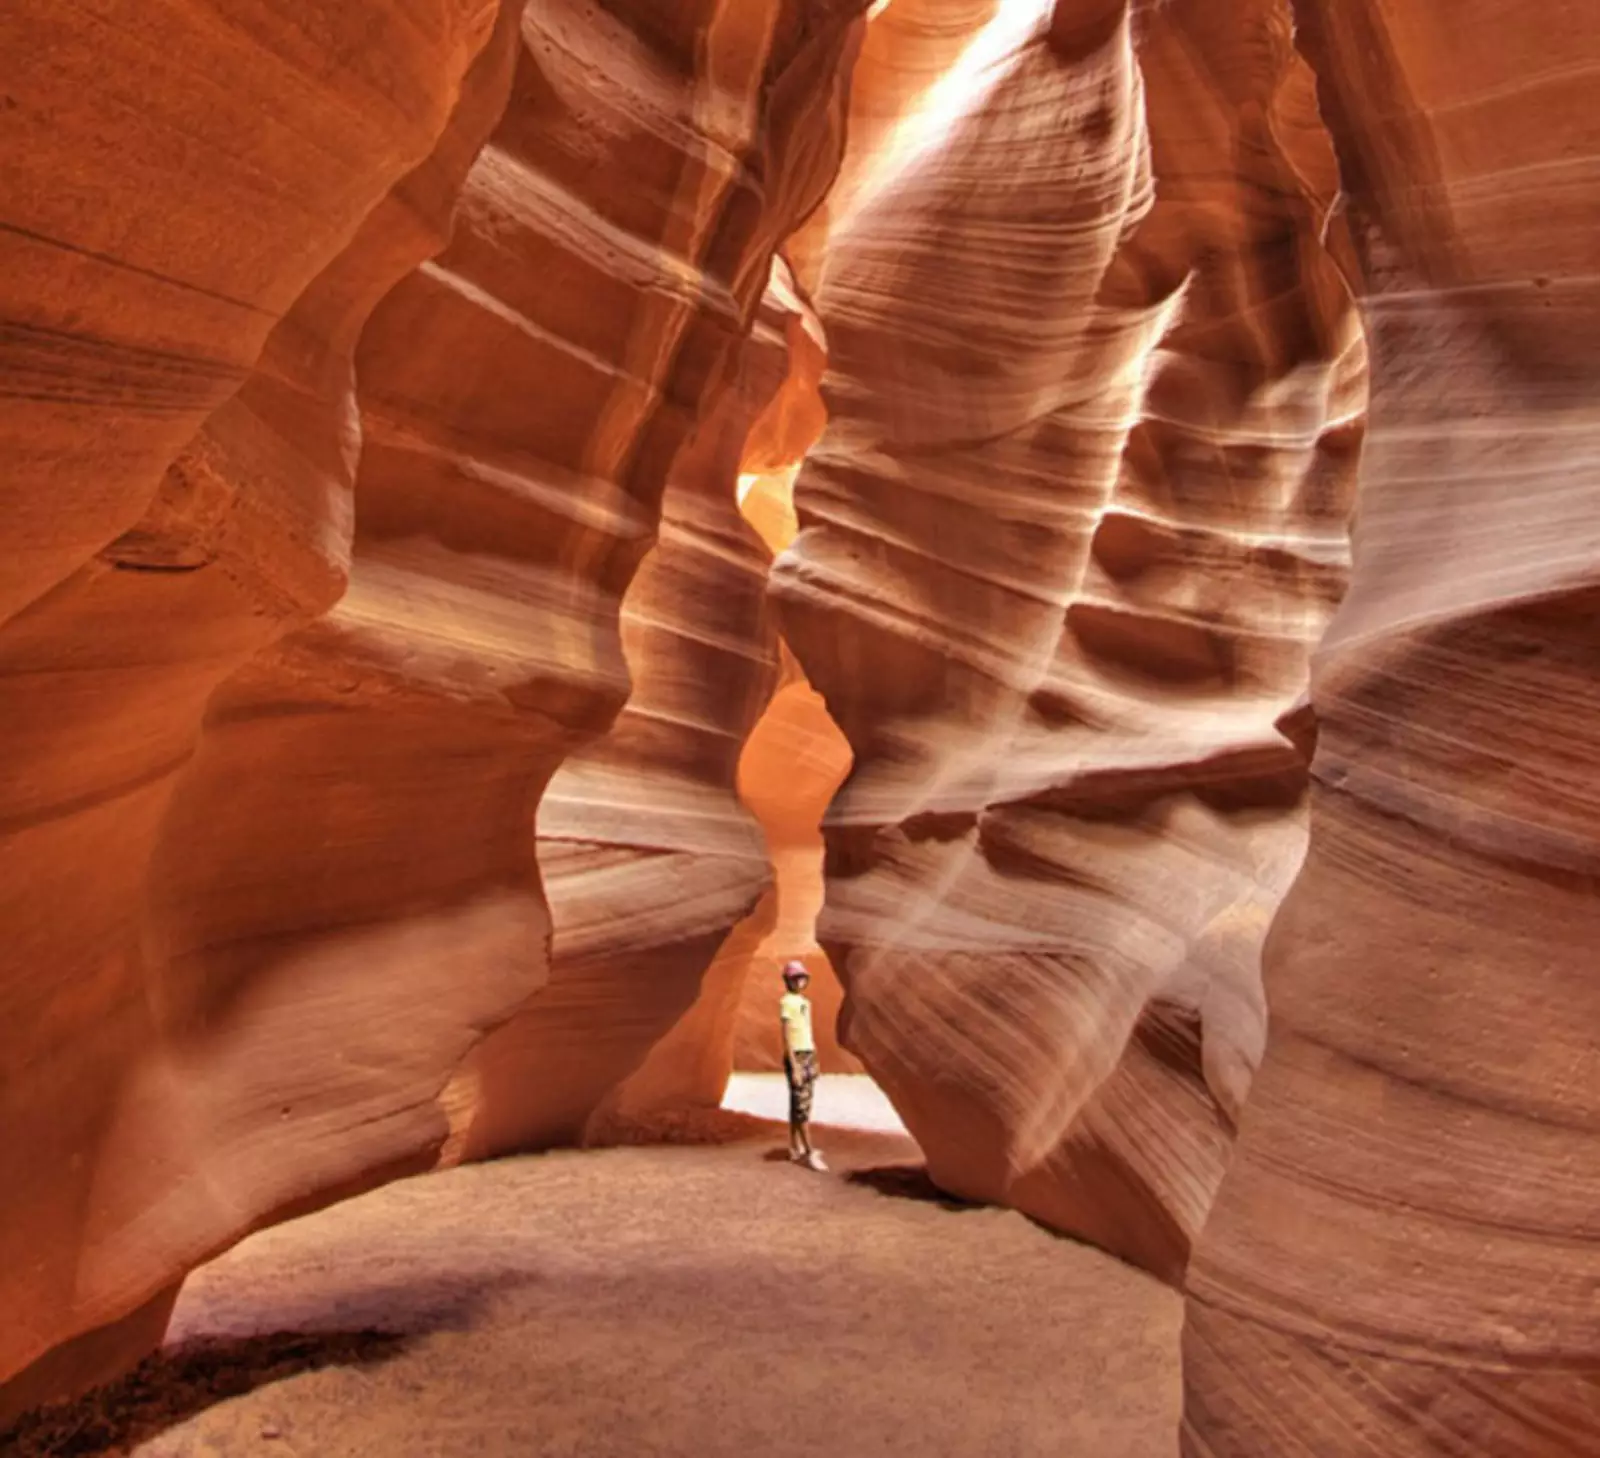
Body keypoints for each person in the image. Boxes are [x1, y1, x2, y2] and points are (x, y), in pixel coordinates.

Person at [779, 960, 826, 1170]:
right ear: (788, 980)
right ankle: (808, 1152)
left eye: (802, 977)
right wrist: (795, 1065)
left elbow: (808, 1030)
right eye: (795, 978)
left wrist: (815, 1058)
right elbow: (786, 1035)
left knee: (797, 1104)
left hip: (807, 1053)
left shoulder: (805, 1002)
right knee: (802, 1106)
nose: (799, 981)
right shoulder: (786, 1002)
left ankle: (794, 1146)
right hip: (796, 1055)